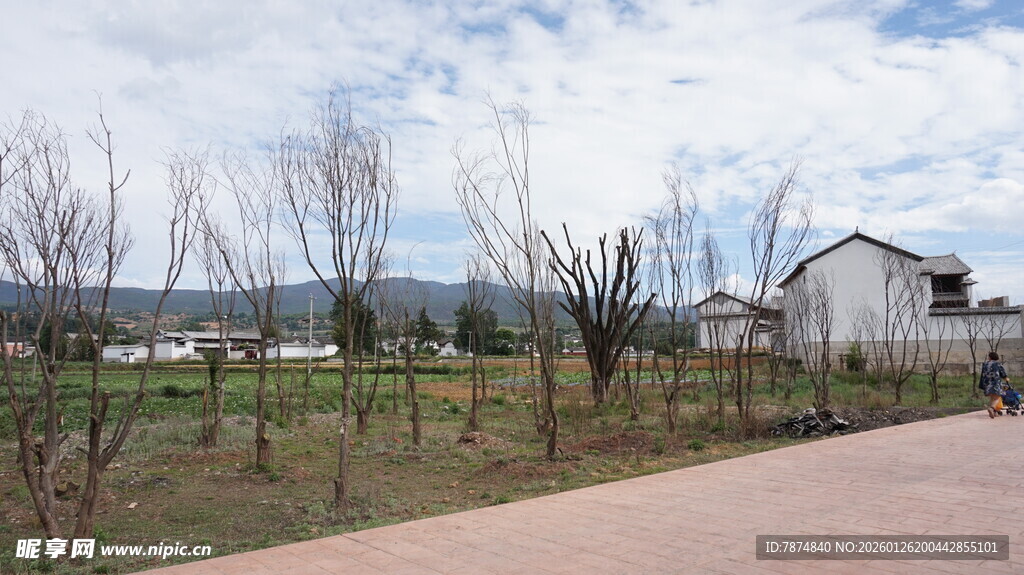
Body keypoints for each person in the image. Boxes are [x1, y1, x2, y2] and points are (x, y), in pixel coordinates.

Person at [981, 351, 1011, 418]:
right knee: (997, 397)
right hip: (995, 383)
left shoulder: (985, 364)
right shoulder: (998, 364)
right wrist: (1006, 378)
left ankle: (994, 413)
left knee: (992, 398)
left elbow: (983, 374)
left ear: (990, 357)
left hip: (987, 383)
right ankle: (992, 408)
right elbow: (1002, 373)